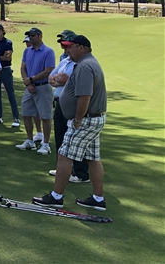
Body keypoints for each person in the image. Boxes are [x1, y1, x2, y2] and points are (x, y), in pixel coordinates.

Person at [33, 35, 108, 211]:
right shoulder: (88, 63)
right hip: (94, 118)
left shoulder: (84, 66)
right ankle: (98, 199)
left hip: (86, 120)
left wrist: (77, 119)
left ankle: (56, 197)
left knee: (64, 154)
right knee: (93, 158)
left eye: (70, 47)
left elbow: (84, 97)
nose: (67, 50)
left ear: (81, 48)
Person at [47, 31, 89, 182]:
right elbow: (51, 78)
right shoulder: (65, 61)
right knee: (61, 137)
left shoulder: (80, 64)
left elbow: (67, 80)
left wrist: (61, 80)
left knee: (75, 139)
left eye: (68, 46)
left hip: (72, 105)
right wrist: (60, 80)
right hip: (59, 102)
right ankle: (63, 169)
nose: (65, 49)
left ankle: (81, 173)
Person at [16, 28, 56, 154]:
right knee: (26, 113)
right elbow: (23, 67)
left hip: (43, 86)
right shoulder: (27, 50)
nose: (30, 37)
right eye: (29, 35)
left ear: (40, 35)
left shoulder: (48, 52)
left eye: (32, 35)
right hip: (29, 87)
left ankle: (45, 144)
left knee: (45, 116)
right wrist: (27, 82)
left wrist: (31, 79)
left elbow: (48, 70)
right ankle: (30, 141)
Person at [0, 23, 20, 127]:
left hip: (5, 69)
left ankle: (16, 118)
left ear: (3, 31)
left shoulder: (8, 42)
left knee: (11, 94)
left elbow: (8, 58)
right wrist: (0, 56)